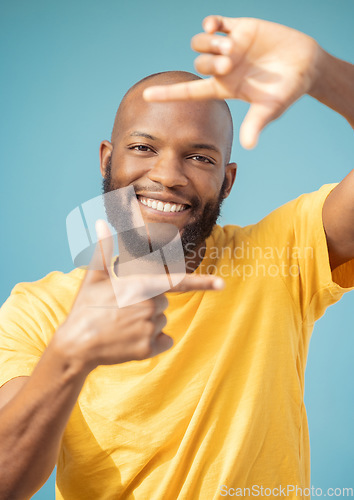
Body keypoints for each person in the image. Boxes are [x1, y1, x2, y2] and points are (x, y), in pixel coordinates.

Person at [0, 14, 353, 500]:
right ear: (107, 159)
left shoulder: (283, 254)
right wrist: (69, 357)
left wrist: (324, 73)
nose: (168, 175)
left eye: (200, 157)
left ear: (227, 181)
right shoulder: (35, 313)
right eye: (143, 147)